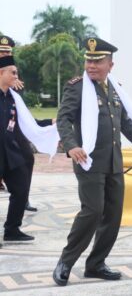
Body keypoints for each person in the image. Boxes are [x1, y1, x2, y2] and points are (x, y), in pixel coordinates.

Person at [53, 37, 132, 286]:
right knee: (92, 211)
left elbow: (125, 123)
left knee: (112, 213)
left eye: (97, 61)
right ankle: (66, 261)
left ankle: (96, 264)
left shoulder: (115, 88)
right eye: (88, 60)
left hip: (114, 163)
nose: (91, 65)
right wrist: (71, 146)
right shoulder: (76, 87)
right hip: (88, 161)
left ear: (111, 64)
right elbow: (63, 118)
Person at [0, 55, 60, 247]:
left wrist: (50, 123)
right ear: (1, 73)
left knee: (20, 190)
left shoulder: (13, 98)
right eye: (13, 72)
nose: (16, 76)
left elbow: (27, 123)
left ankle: (12, 230)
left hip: (10, 153)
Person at [0, 35, 39, 212]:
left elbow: (20, 109)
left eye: (7, 52)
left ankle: (23, 197)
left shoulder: (12, 75)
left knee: (27, 158)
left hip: (13, 127)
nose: (4, 54)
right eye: (1, 52)